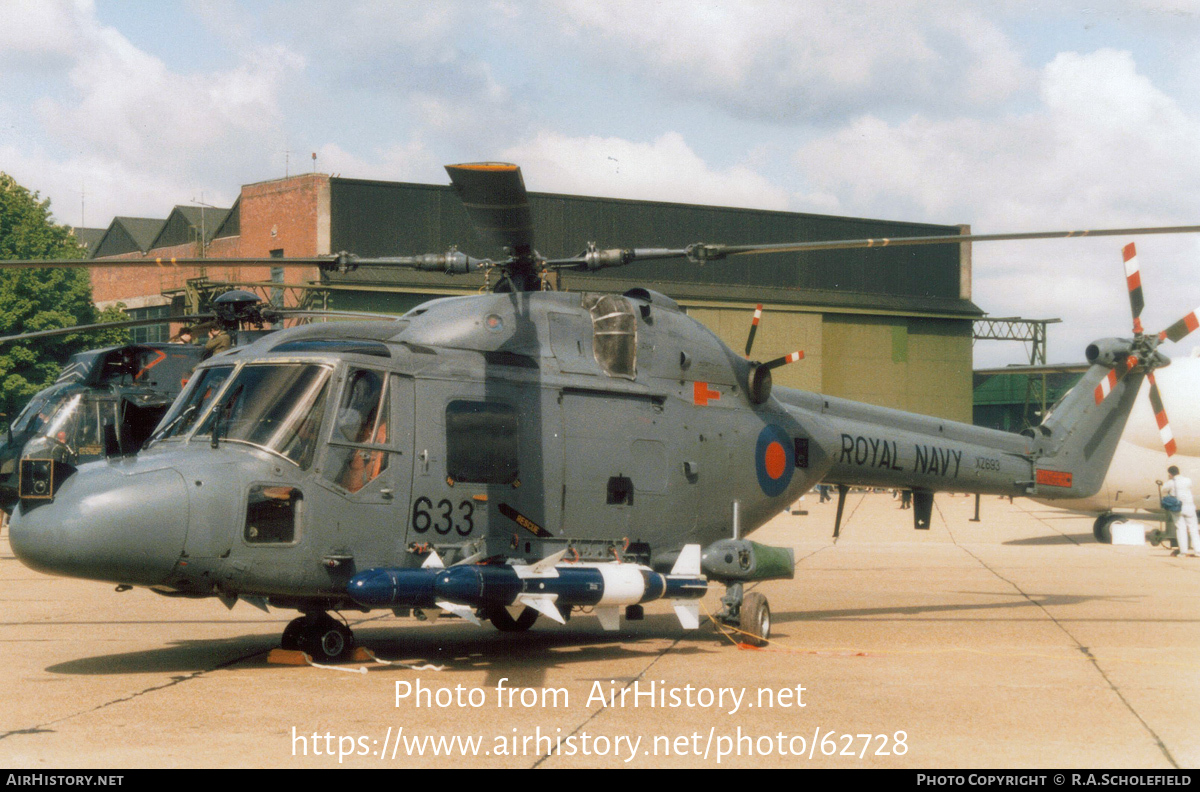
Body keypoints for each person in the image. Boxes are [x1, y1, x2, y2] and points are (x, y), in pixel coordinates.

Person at [1162, 465, 1199, 557]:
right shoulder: (1187, 480)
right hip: (1189, 506)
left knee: (1181, 529)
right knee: (1193, 529)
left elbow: (1163, 490)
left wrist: (1169, 480)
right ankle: (1198, 551)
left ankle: (1183, 552)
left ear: (1170, 473)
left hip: (1177, 508)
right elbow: (1189, 487)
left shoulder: (1170, 482)